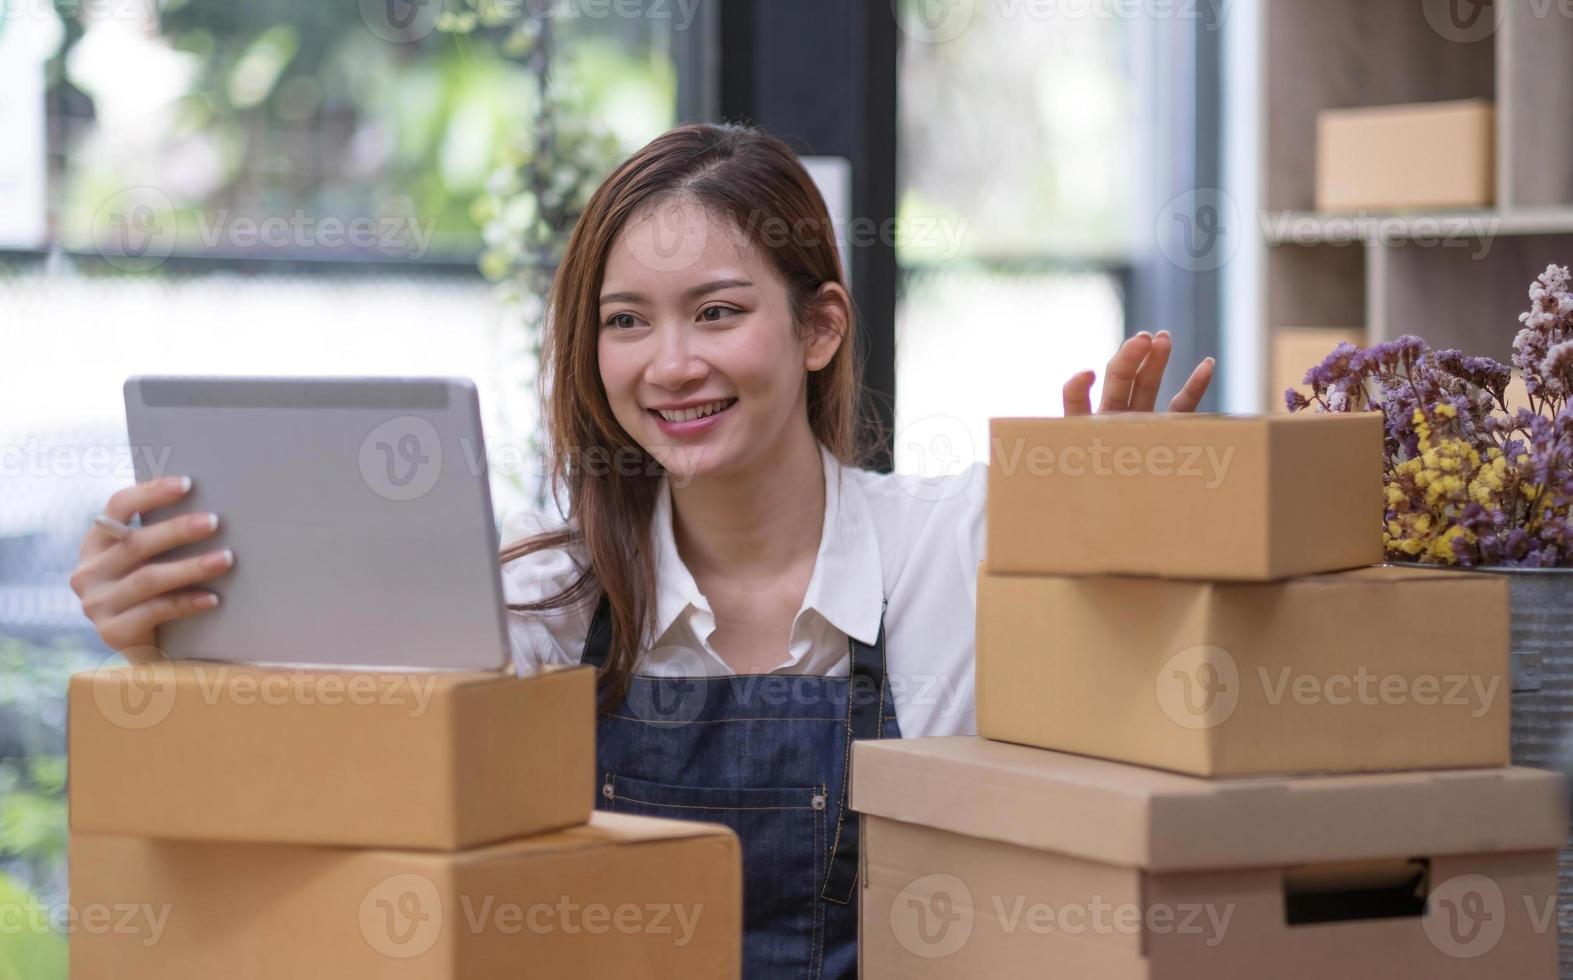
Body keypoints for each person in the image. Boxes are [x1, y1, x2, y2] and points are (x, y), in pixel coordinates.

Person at [71, 123, 1213, 978]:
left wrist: (1130, 520)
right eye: (626, 321)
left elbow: (1159, 703)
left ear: (819, 327)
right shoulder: (533, 609)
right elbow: (322, 817)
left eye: (717, 311)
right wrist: (167, 652)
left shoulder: (964, 545)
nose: (669, 364)